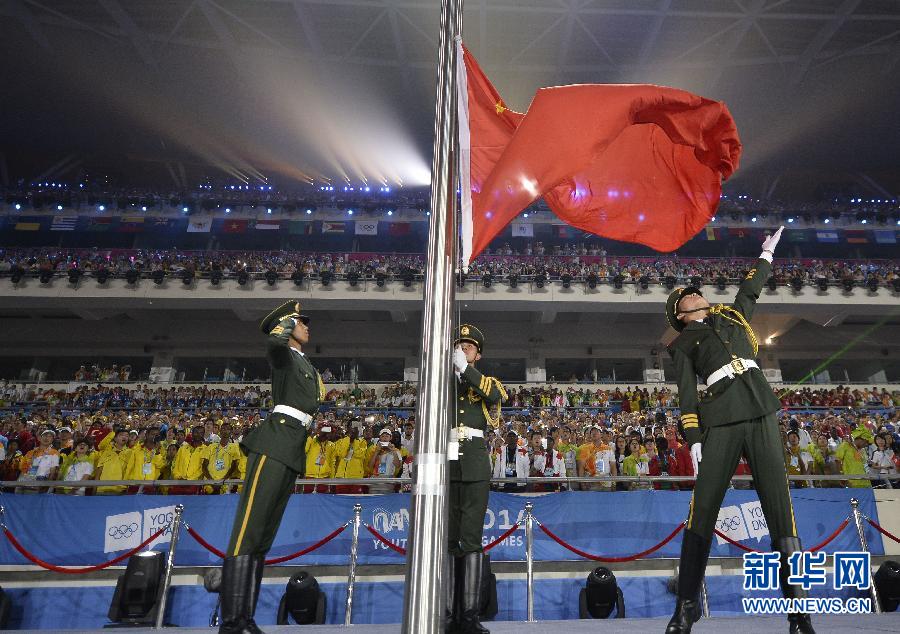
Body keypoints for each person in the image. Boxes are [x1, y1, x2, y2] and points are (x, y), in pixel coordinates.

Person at [663, 227, 815, 634]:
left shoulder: (731, 316)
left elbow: (751, 290)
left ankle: (799, 612)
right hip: (721, 421)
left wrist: (765, 257)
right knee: (704, 508)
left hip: (760, 410)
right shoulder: (683, 344)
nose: (697, 293)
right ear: (681, 312)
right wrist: (693, 438)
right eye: (689, 294)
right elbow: (687, 395)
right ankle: (685, 607)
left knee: (781, 511)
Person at [218, 301, 324, 634]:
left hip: (292, 447)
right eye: (300, 322)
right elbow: (274, 344)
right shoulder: (284, 356)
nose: (307, 326)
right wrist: (285, 325)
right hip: (274, 442)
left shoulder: (305, 363)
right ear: (286, 326)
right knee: (248, 531)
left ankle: (245, 618)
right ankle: (232, 621)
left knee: (263, 536)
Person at [448, 324, 507, 634]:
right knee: (448, 539)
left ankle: (469, 616)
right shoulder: (444, 382)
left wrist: (464, 370)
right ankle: (447, 614)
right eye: (459, 345)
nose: (463, 350)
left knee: (470, 538)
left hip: (473, 463)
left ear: (478, 354)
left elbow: (495, 394)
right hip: (447, 462)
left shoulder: (485, 380)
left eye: (468, 347)